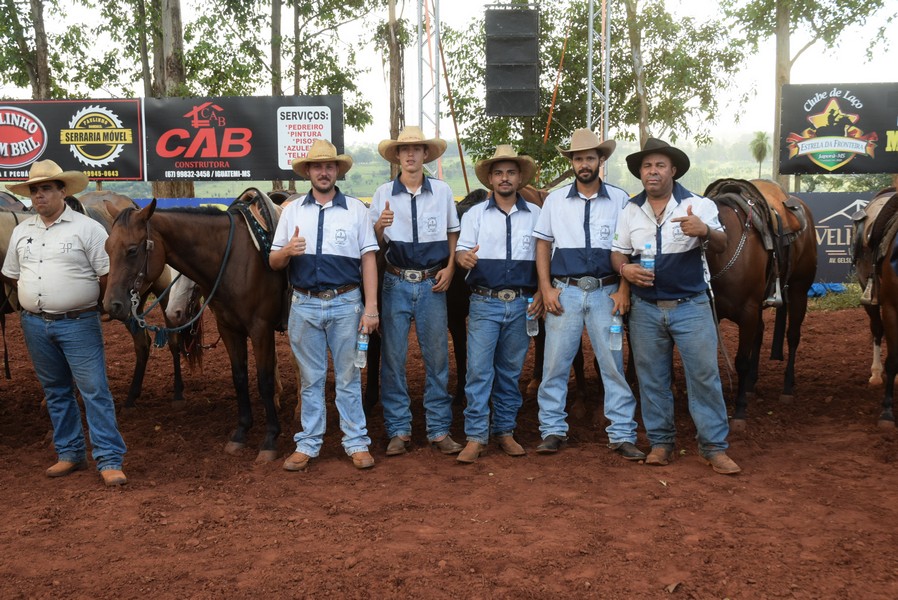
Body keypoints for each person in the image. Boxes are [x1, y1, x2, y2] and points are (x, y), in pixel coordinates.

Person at [610, 137, 741, 475]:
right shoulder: (629, 209)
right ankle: (661, 443)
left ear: (673, 170)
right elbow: (617, 251)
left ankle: (714, 447)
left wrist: (705, 231)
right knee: (652, 379)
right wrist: (625, 269)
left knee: (703, 377)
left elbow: (723, 242)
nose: (653, 171)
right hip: (645, 309)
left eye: (659, 166)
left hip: (691, 305)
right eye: (647, 166)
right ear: (640, 173)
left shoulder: (698, 205)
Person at [1, 160, 127, 486]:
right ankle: (70, 452)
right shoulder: (21, 231)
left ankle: (109, 459)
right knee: (56, 391)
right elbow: (13, 276)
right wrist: (38, 299)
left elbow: (106, 275)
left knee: (94, 390)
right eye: (34, 190)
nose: (39, 196)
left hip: (79, 322)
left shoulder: (87, 229)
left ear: (62, 191)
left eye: (46, 189)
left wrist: (93, 306)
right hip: (35, 324)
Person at [532, 128, 643, 460]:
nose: (584, 164)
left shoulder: (622, 200)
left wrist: (623, 290)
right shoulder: (554, 201)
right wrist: (545, 287)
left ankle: (622, 433)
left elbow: (629, 250)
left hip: (605, 292)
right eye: (578, 158)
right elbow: (543, 244)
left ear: (601, 161)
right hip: (564, 292)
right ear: (572, 162)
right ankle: (552, 429)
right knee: (554, 364)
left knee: (612, 365)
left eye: (590, 158)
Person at [270, 138, 378, 471]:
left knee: (348, 376)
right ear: (308, 172)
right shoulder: (292, 212)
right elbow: (274, 261)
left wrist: (371, 307)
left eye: (329, 166)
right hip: (304, 303)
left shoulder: (357, 210)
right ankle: (308, 443)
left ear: (337, 171)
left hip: (346, 302)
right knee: (311, 377)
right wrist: (288, 251)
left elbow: (369, 260)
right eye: (317, 166)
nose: (323, 172)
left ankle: (356, 441)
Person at [368, 125, 463, 456]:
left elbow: (453, 233)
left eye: (417, 149)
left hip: (432, 281)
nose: (410, 154)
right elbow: (372, 244)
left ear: (425, 155)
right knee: (393, 358)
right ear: (397, 156)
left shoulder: (443, 191)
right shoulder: (383, 194)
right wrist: (379, 227)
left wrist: (451, 266)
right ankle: (399, 429)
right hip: (394, 280)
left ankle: (438, 429)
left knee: (437, 357)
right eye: (404, 150)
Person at [454, 145, 543, 463]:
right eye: (499, 173)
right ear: (490, 179)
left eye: (511, 172)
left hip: (521, 303)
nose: (505, 178)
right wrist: (463, 257)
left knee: (509, 371)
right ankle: (476, 435)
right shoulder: (475, 214)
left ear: (519, 178)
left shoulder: (536, 215)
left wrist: (542, 292)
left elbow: (545, 257)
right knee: (478, 371)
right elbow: (462, 250)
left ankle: (505, 430)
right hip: (485, 302)